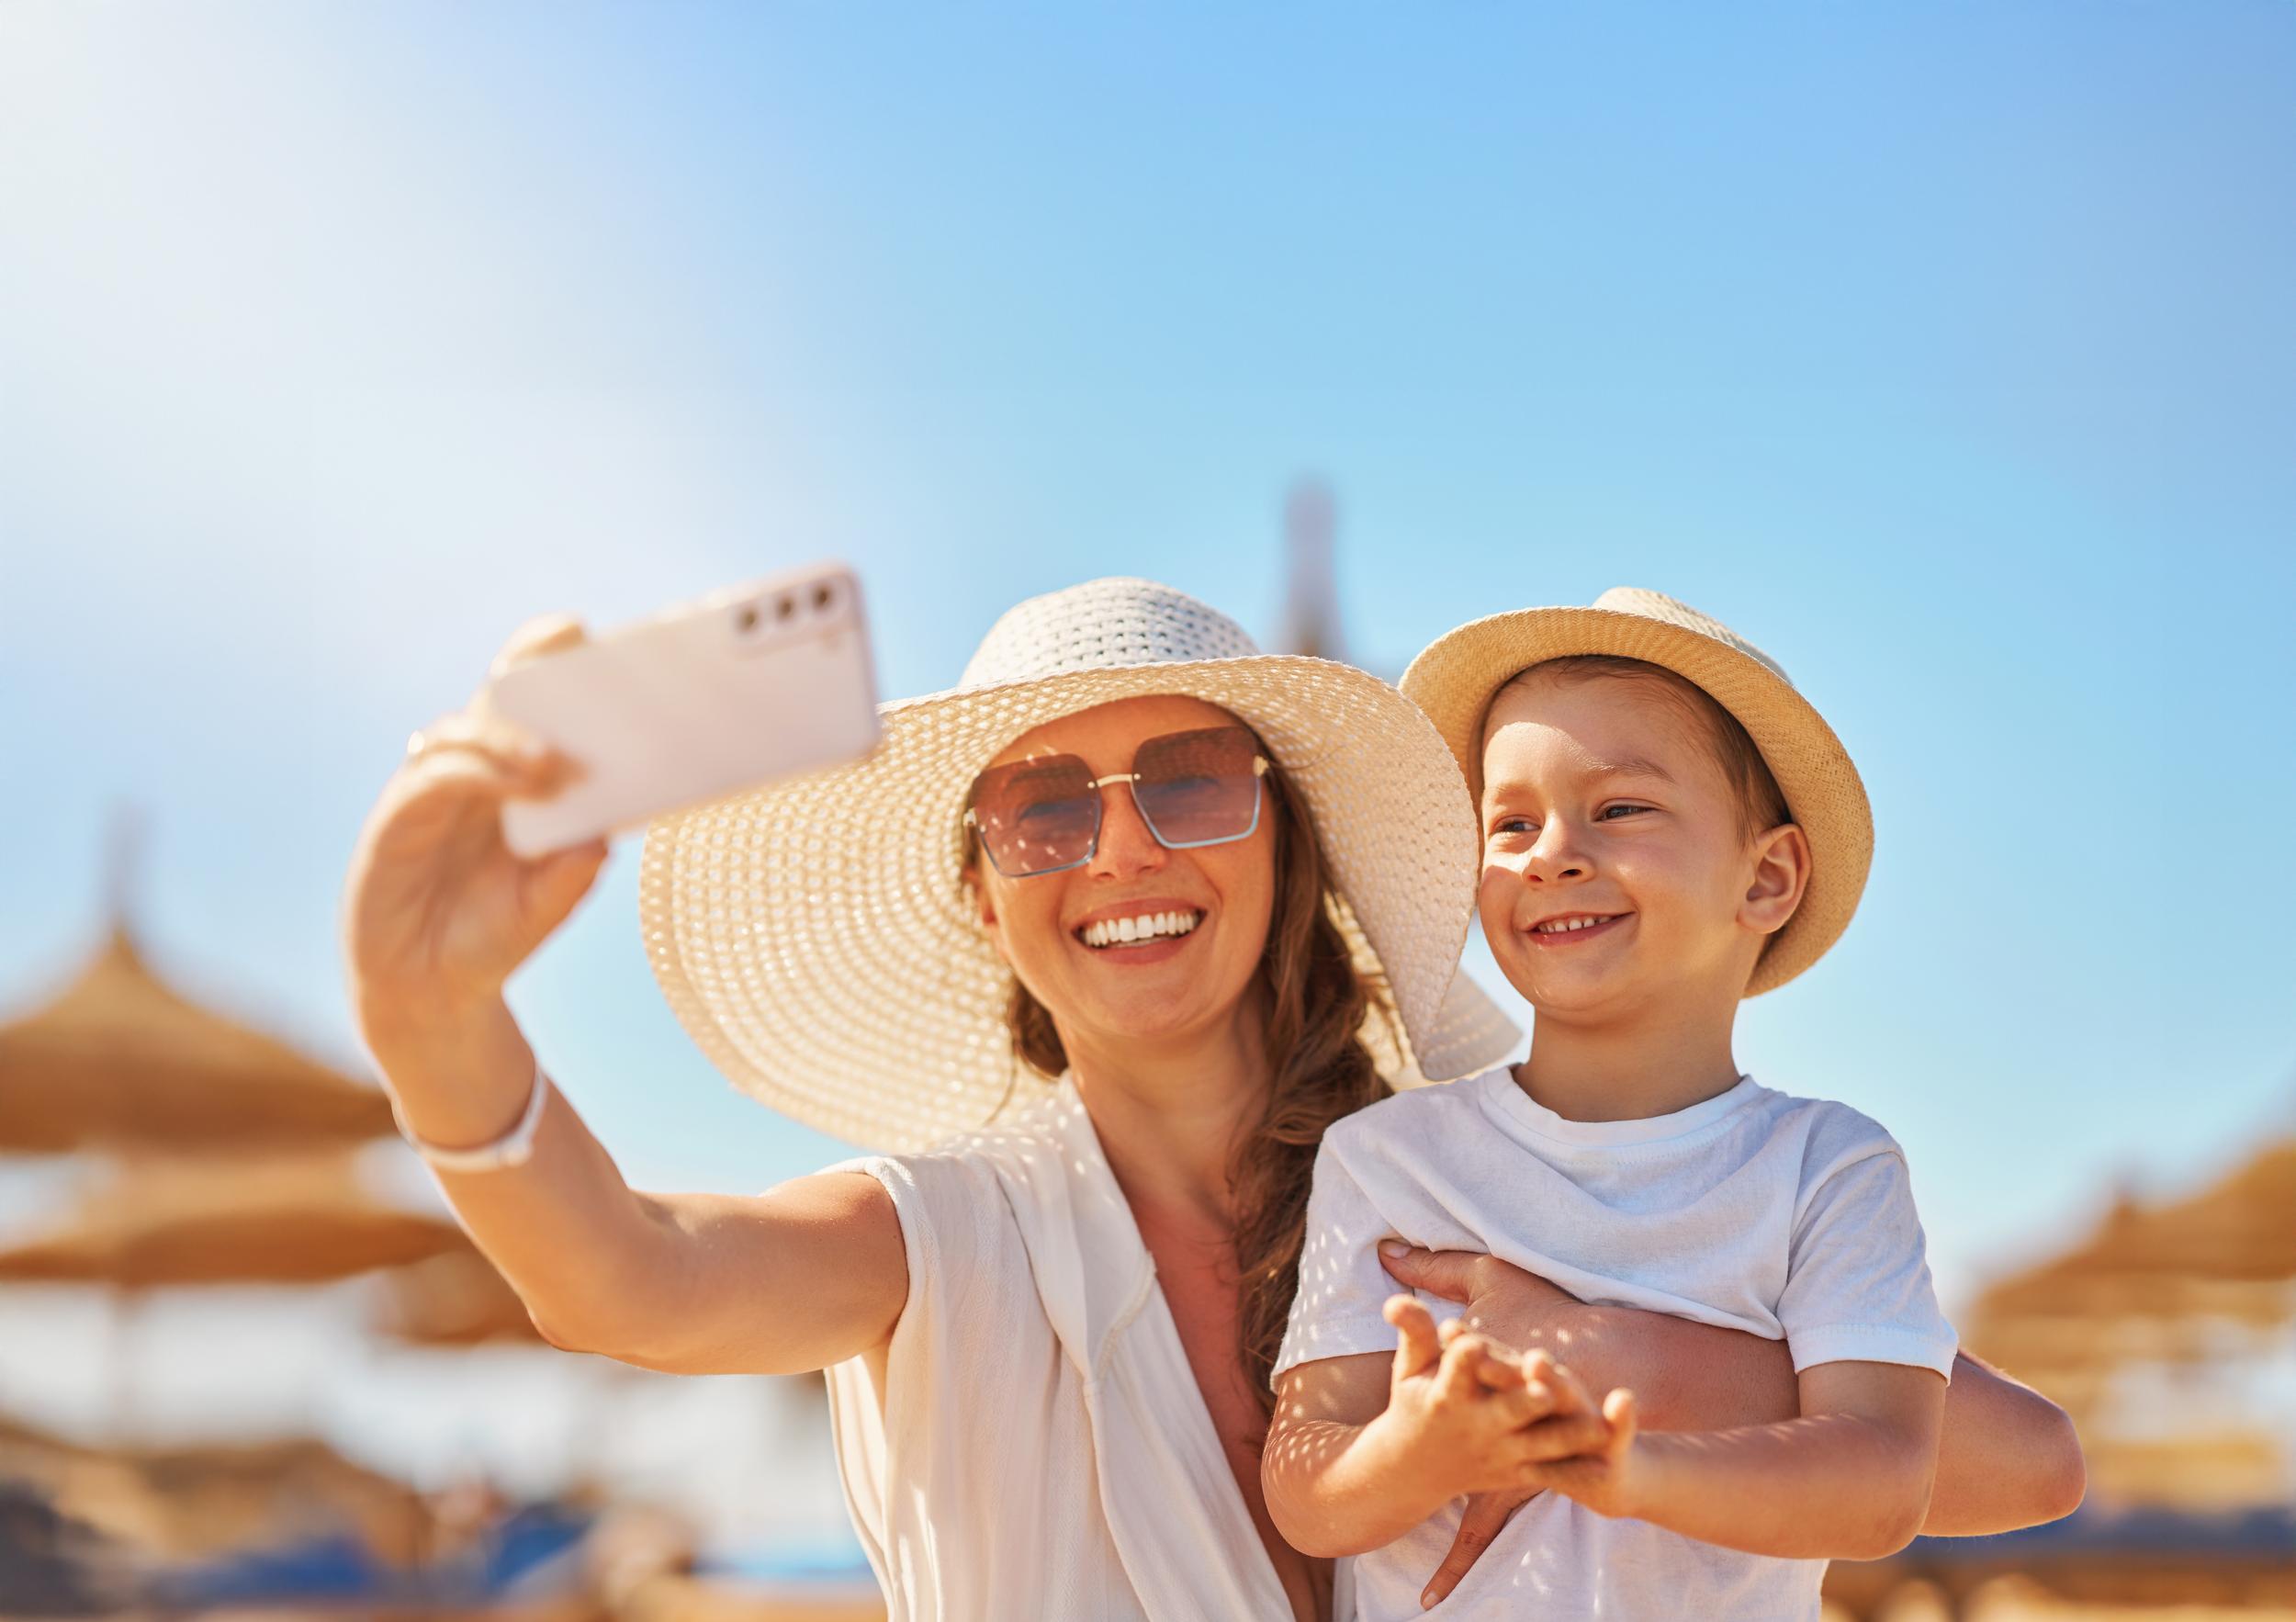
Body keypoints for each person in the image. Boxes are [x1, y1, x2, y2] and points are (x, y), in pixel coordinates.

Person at [343, 577, 2082, 1622]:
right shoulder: (950, 1234)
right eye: (1043, 810)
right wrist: (432, 1023)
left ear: (1288, 838)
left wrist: (1596, 1348)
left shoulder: (1492, 1153)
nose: (1119, 850)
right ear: (986, 892)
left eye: (1188, 782)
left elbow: (2014, 1462)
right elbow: (627, 1273)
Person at [1264, 588, 2077, 1618]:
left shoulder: (1826, 1167)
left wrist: (1632, 1468)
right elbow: (1304, 1487)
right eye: (1509, 821)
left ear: (1768, 876)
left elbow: (1882, 1482)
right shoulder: (1388, 1159)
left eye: (1618, 808)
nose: (1549, 851)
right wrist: (1415, 1448)